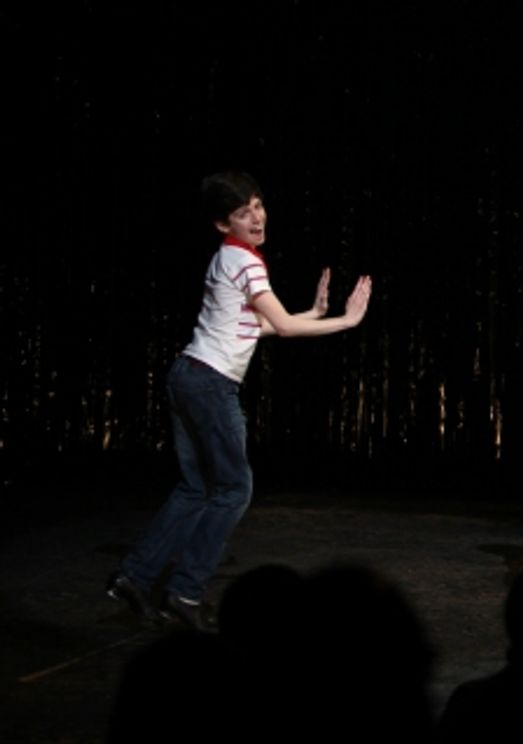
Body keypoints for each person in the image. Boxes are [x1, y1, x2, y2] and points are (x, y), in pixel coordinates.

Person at [106, 170, 373, 631]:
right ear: (222, 223)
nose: (256, 217)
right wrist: (346, 322)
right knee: (234, 490)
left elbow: (254, 327)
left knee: (196, 489)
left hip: (188, 375)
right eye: (242, 212)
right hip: (210, 383)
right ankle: (185, 592)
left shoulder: (225, 259)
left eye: (258, 206)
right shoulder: (246, 263)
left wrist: (314, 312)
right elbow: (283, 327)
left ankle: (135, 576)